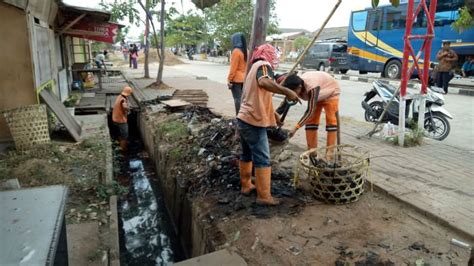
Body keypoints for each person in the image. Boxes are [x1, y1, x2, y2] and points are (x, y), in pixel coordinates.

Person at [237, 44, 299, 206]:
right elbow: (264, 83)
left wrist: (275, 115)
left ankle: (246, 186)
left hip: (244, 119)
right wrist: (288, 92)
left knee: (246, 154)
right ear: (268, 55)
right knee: (263, 158)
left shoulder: (253, 69)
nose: (274, 58)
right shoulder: (264, 66)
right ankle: (264, 196)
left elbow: (259, 98)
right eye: (274, 55)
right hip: (253, 122)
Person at [283, 71, 340, 161]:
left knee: (331, 121)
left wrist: (295, 128)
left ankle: (329, 154)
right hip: (318, 93)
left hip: (330, 90)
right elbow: (285, 104)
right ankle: (312, 152)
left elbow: (310, 111)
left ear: (299, 87)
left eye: (293, 92)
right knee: (311, 122)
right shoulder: (295, 84)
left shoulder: (311, 87)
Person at [227, 32, 248, 115]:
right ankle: (244, 116)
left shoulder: (236, 52)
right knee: (243, 99)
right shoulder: (246, 51)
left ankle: (239, 117)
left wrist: (229, 80)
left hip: (236, 80)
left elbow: (233, 68)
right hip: (245, 79)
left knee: (237, 99)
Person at [113, 86, 133, 151]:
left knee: (119, 133)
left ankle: (119, 144)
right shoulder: (123, 100)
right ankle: (123, 149)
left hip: (115, 118)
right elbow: (124, 106)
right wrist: (128, 109)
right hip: (121, 120)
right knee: (125, 135)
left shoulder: (119, 96)